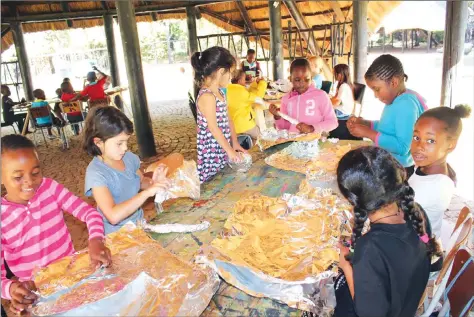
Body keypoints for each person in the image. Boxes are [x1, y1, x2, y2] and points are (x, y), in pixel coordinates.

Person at [1, 134, 111, 313]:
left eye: (35, 172)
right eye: (18, 177)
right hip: (37, 294)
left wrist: (96, 239)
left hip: (73, 277)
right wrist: (12, 289)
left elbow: (89, 213)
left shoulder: (49, 188)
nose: (30, 181)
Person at [334, 146, 441, 317]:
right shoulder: (415, 211)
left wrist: (346, 267)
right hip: (407, 299)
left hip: (392, 310)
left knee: (334, 288)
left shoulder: (370, 248)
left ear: (352, 200)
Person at [83, 106, 171, 234]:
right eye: (119, 143)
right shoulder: (96, 174)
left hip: (138, 226)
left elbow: (141, 182)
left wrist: (154, 183)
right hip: (116, 236)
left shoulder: (128, 158)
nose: (125, 148)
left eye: (126, 142)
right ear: (98, 142)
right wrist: (146, 193)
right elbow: (113, 216)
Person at [347, 54, 428, 177]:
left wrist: (368, 133)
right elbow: (388, 127)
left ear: (394, 82)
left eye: (377, 89)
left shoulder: (405, 105)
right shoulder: (397, 98)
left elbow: (402, 147)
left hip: (398, 170)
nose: (375, 95)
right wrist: (366, 124)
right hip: (391, 164)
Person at [409, 104, 471, 240]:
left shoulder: (438, 185)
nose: (419, 146)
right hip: (410, 242)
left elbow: (396, 216)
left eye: (430, 140)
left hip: (420, 252)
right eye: (416, 137)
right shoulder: (423, 169)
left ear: (451, 145)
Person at [191, 46, 247, 183]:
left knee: (225, 179)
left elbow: (229, 119)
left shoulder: (220, 93)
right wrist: (230, 151)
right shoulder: (207, 97)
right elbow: (213, 128)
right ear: (221, 71)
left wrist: (235, 143)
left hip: (223, 147)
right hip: (211, 153)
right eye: (230, 73)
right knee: (213, 183)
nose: (231, 77)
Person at [269, 58, 338, 134]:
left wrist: (312, 128)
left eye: (307, 79)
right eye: (297, 80)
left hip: (315, 142)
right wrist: (277, 116)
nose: (302, 83)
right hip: (293, 142)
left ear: (311, 78)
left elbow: (333, 122)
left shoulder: (320, 95)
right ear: (290, 79)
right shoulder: (286, 99)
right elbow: (284, 128)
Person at [227, 69, 267, 139]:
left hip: (231, 128)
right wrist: (262, 82)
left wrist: (255, 83)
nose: (245, 82)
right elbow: (258, 97)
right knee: (262, 135)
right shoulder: (243, 92)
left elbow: (249, 93)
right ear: (239, 81)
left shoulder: (227, 90)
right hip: (245, 127)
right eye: (244, 79)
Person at [328, 64, 360, 140]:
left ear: (340, 74)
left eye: (335, 73)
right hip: (344, 110)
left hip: (343, 113)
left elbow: (337, 102)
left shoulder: (344, 86)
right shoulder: (343, 85)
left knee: (323, 114)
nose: (334, 75)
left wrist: (327, 105)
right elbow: (335, 98)